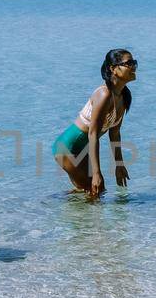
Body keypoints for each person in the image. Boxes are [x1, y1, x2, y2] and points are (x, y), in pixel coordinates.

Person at [54, 49, 137, 199]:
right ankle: (55, 206)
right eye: (128, 63)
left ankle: (58, 203)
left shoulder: (124, 96)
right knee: (95, 190)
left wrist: (119, 165)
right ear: (113, 68)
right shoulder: (103, 94)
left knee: (96, 191)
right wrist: (97, 173)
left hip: (83, 149)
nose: (134, 67)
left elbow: (115, 133)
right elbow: (93, 134)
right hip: (67, 147)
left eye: (134, 63)